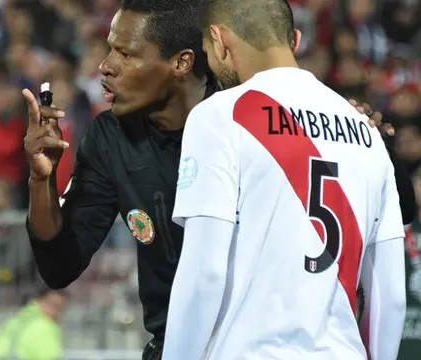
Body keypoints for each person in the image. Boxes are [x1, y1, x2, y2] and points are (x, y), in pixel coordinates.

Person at [22, 1, 411, 359]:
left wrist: (374, 144)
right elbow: (60, 266)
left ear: (182, 62)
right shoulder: (111, 136)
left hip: (244, 342)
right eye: (109, 48)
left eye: (126, 53)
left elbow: (205, 274)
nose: (105, 66)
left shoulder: (239, 116)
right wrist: (42, 181)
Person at [163, 0, 407, 359]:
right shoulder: (366, 131)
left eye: (207, 52)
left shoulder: (220, 115)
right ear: (293, 39)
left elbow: (204, 274)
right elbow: (391, 296)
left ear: (219, 40)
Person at [0, 285, 68, 360]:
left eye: (61, 309)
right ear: (40, 301)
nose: (57, 313)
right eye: (55, 306)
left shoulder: (16, 321)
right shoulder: (45, 326)